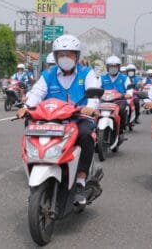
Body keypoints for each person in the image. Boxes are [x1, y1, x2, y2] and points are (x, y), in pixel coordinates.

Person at [16, 34, 101, 205]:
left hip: (79, 119)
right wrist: (27, 107)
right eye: (61, 55)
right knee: (32, 132)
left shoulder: (86, 73)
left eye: (69, 54)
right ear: (55, 56)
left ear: (76, 56)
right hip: (53, 120)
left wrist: (91, 106)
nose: (65, 58)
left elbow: (94, 94)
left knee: (86, 135)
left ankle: (80, 181)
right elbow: (37, 93)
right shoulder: (48, 75)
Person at [99, 55, 132, 136]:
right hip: (104, 100)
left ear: (118, 67)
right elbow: (96, 88)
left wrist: (128, 94)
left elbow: (129, 90)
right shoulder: (102, 78)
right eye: (111, 66)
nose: (113, 68)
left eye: (115, 66)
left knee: (121, 109)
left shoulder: (125, 78)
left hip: (119, 101)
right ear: (107, 67)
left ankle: (120, 129)